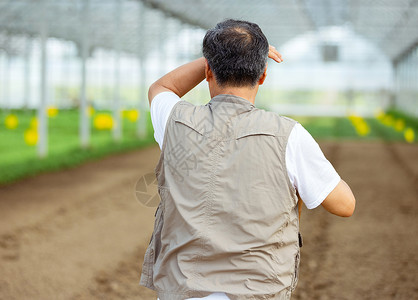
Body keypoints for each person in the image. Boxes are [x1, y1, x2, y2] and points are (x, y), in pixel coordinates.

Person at [140, 19, 356, 300]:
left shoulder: (176, 121)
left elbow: (162, 87)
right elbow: (345, 205)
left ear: (207, 70)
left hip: (182, 290)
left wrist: (216, 58)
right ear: (263, 74)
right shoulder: (289, 136)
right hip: (258, 292)